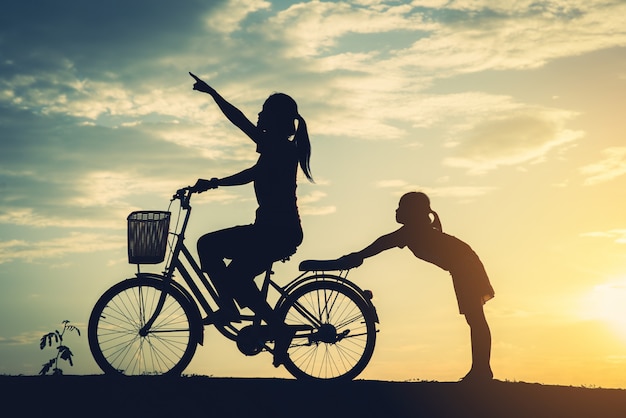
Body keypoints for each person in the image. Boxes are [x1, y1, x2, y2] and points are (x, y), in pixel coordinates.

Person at [188, 72, 313, 366]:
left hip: (276, 232)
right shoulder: (277, 150)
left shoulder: (280, 147)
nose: (258, 115)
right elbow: (251, 174)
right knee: (222, 261)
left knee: (215, 254)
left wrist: (213, 93)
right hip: (273, 230)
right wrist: (215, 182)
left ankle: (256, 320)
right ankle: (242, 312)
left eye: (264, 111)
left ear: (277, 120)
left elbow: (239, 119)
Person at [338, 192, 495, 383]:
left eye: (400, 207)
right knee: (475, 319)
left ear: (412, 212)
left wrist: (358, 256)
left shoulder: (412, 231)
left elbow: (383, 242)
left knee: (475, 319)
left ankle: (482, 371)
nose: (396, 211)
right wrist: (358, 255)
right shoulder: (413, 230)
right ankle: (481, 370)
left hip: (466, 266)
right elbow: (384, 242)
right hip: (464, 266)